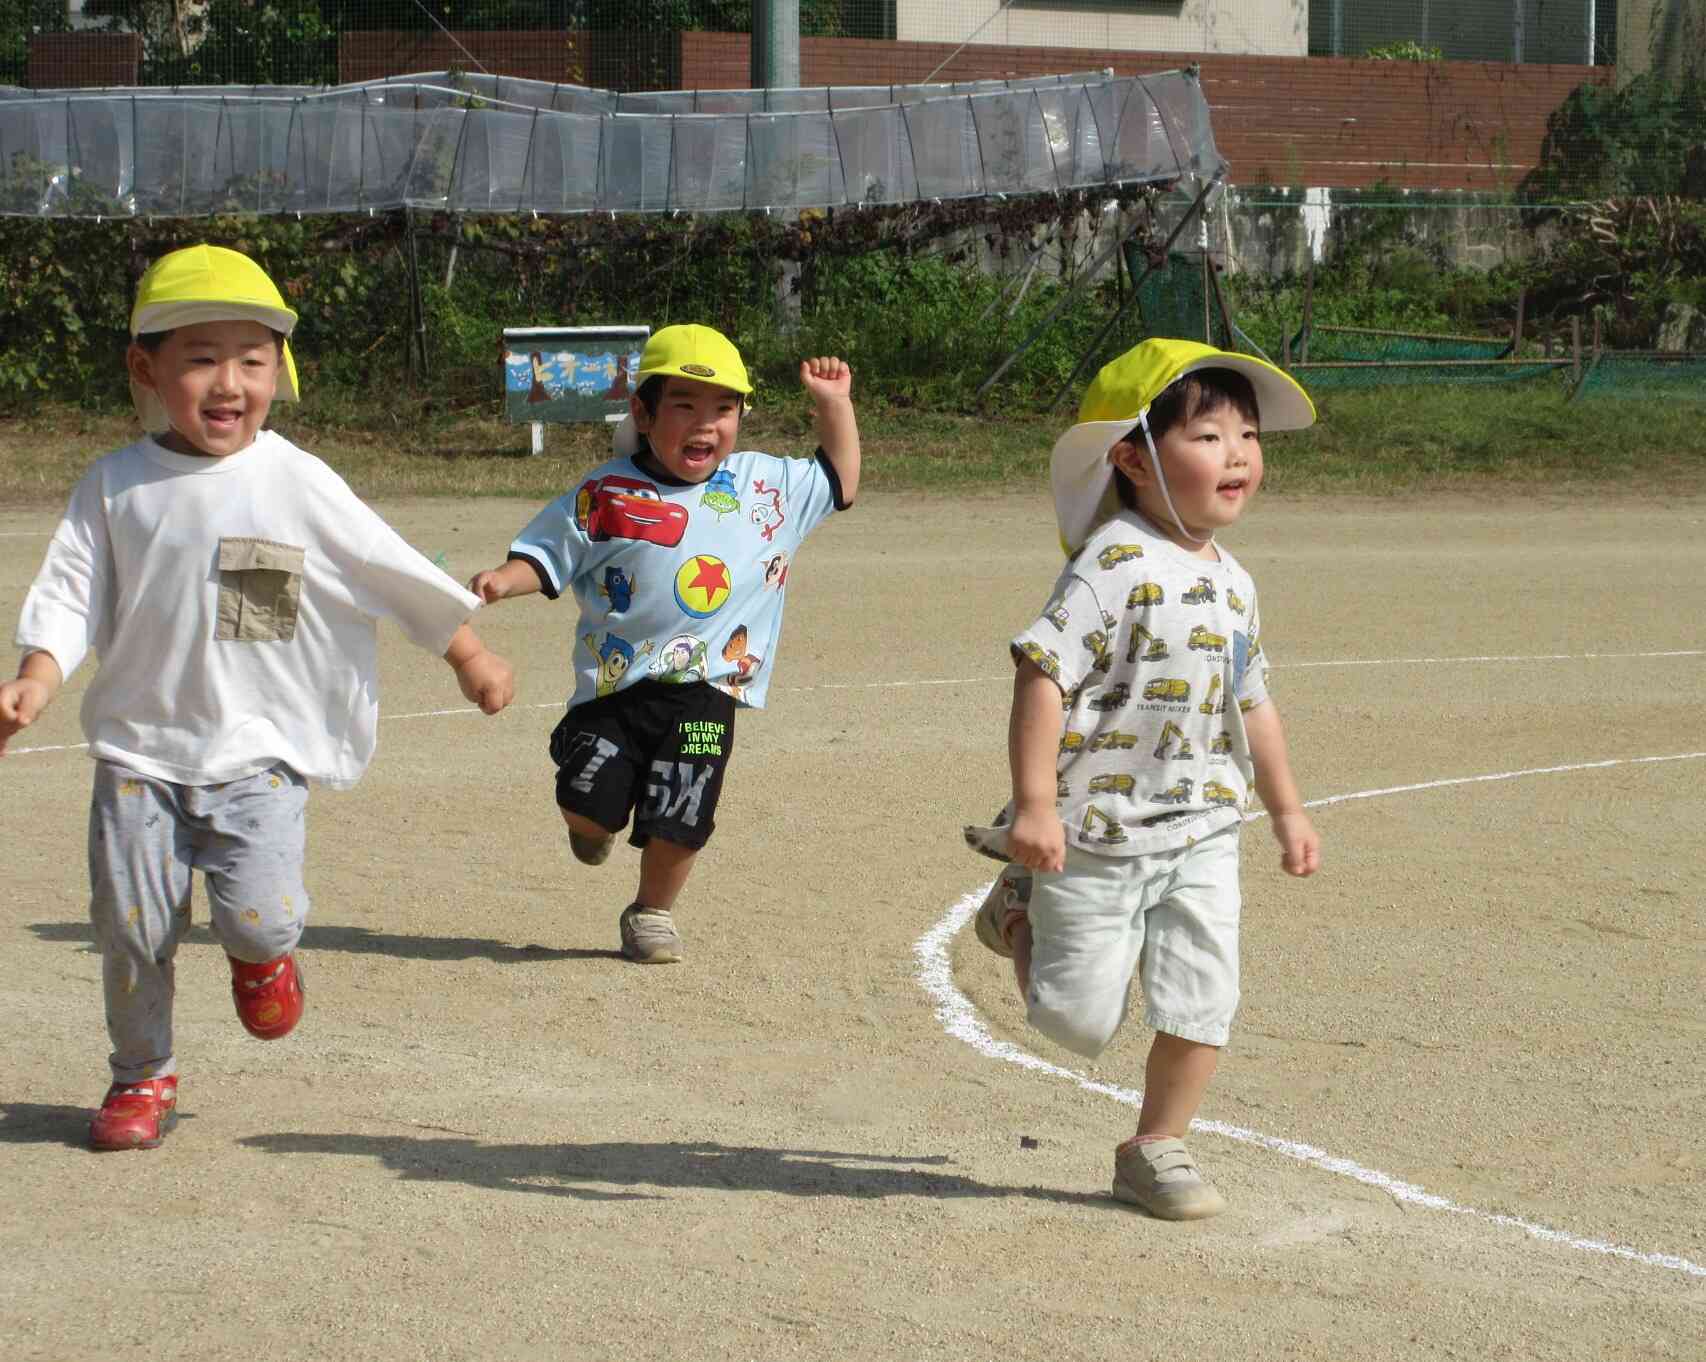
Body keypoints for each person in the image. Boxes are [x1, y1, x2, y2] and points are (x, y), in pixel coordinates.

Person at [0, 244, 515, 1151]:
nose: (228, 382)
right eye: (199, 357)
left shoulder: (293, 477)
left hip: (259, 754)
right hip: (137, 754)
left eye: (252, 359)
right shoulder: (114, 486)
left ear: (279, 368)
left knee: (261, 913)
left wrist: (466, 650)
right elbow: (72, 592)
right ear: (146, 367)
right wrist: (36, 679)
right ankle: (141, 1076)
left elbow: (381, 563)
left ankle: (262, 957)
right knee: (130, 931)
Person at [963, 337, 1321, 1221]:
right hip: (1094, 830)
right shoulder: (1111, 563)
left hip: (1202, 824)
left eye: (1248, 435)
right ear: (1132, 455)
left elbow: (1254, 701)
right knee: (1074, 1022)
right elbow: (1040, 674)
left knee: (1206, 997)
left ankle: (1156, 1145)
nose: (1238, 453)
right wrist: (1037, 805)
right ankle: (1016, 910)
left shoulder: (1235, 583)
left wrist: (1286, 808)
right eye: (1208, 435)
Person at [469, 324, 859, 965]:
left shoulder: (765, 488)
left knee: (687, 799)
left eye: (723, 410)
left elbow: (839, 479)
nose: (705, 425)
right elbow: (547, 556)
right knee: (589, 810)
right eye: (685, 406)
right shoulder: (608, 492)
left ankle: (651, 913)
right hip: (616, 689)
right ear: (644, 413)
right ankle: (590, 821)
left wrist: (833, 404)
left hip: (707, 691)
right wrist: (501, 581)